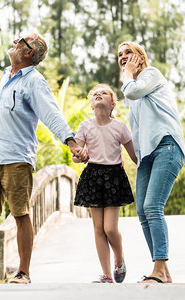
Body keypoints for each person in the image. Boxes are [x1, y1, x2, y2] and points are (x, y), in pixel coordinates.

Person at [0, 33, 86, 285]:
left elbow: (51, 114)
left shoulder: (34, 82)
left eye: (20, 40)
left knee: (20, 213)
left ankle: (23, 272)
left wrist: (71, 141)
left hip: (16, 157)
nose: (15, 42)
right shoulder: (6, 76)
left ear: (28, 53)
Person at [117, 41, 185, 283]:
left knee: (153, 206)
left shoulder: (151, 74)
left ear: (140, 57)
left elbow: (133, 90)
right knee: (142, 211)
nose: (123, 56)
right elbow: (136, 130)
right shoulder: (132, 93)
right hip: (146, 155)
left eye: (128, 52)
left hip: (166, 145)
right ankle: (162, 271)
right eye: (120, 55)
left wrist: (127, 75)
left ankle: (159, 267)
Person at [72, 84, 137, 283]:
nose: (98, 95)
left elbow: (134, 156)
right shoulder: (85, 126)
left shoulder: (120, 127)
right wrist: (80, 155)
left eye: (104, 93)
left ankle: (120, 259)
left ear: (112, 104)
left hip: (113, 177)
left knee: (110, 228)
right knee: (98, 228)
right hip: (93, 176)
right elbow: (76, 157)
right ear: (92, 105)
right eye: (95, 94)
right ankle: (107, 275)